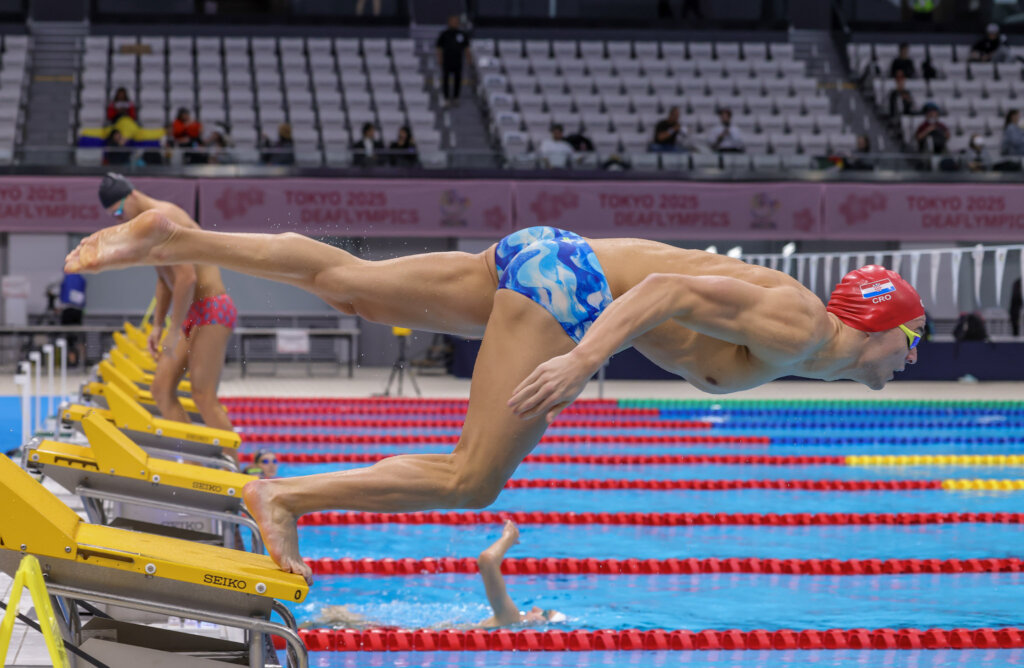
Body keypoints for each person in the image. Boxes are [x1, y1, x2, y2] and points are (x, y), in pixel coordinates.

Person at [65, 218, 926, 585]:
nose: (913, 360)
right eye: (913, 342)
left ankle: (173, 235)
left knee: (353, 287)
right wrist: (586, 357)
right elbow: (662, 289)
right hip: (573, 289)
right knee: (472, 482)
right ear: (882, 322)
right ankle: (282, 495)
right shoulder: (803, 321)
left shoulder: (806, 340)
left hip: (549, 255)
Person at [91, 174, 236, 452]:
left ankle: (239, 475)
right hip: (194, 314)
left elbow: (186, 278)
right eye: (113, 216)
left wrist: (172, 330)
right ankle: (197, 467)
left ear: (132, 195)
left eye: (119, 211)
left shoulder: (163, 217)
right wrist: (158, 326)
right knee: (161, 389)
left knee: (203, 396)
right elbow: (164, 280)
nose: (119, 218)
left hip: (212, 309)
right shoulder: (146, 227)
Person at [308, 521, 565, 629]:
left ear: (538, 623)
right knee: (338, 617)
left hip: (420, 634)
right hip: (429, 632)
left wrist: (509, 538)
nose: (538, 608)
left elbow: (487, 561)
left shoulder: (510, 619)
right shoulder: (508, 624)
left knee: (335, 616)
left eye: (544, 613)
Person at [436, 15, 471, 108]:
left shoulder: (462, 34)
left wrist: (468, 59)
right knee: (446, 80)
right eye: (453, 21)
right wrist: (440, 59)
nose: (454, 23)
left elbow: (466, 48)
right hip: (447, 61)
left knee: (458, 80)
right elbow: (439, 48)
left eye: (456, 21)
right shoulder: (444, 34)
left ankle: (456, 97)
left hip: (457, 61)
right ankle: (446, 98)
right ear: (449, 22)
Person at [59, 272, 86, 366]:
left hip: (68, 310)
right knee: (78, 337)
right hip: (78, 311)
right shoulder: (81, 279)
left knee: (69, 339)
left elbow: (63, 294)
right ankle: (82, 362)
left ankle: (71, 361)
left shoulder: (67, 278)